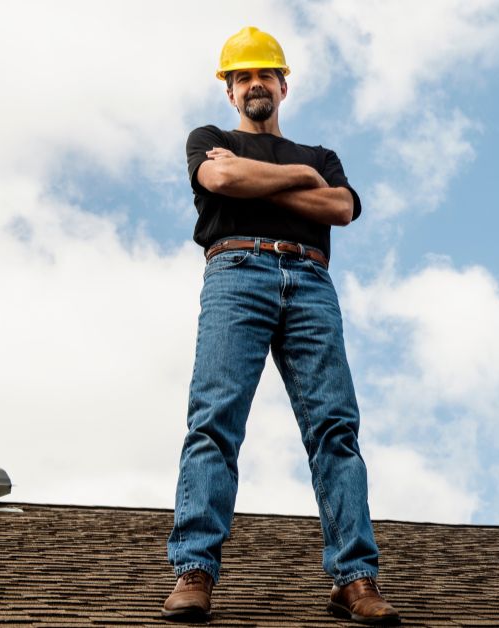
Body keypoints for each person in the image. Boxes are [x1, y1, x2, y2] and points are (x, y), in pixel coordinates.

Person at [161, 26, 401, 626]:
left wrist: (266, 178)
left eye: (264, 74)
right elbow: (219, 180)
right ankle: (194, 573)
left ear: (283, 84)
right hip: (236, 271)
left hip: (310, 280)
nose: (254, 84)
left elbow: (341, 208)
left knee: (335, 430)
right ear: (230, 92)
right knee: (214, 422)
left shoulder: (321, 155)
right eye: (242, 77)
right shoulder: (210, 141)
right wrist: (300, 182)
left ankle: (355, 581)